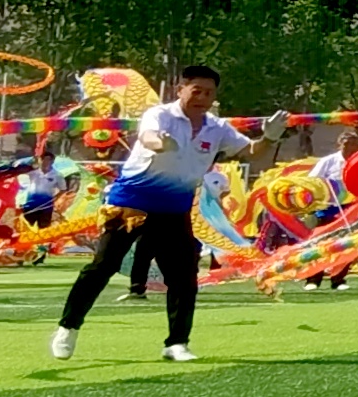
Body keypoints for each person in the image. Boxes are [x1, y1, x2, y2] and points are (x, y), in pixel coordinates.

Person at [54, 68, 246, 362]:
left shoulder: (217, 128)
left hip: (173, 209)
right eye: (196, 91)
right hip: (132, 203)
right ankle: (68, 327)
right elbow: (148, 136)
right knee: (103, 266)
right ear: (180, 89)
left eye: (209, 93)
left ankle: (177, 343)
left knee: (184, 277)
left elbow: (251, 150)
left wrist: (270, 138)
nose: (202, 98)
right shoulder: (160, 115)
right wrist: (161, 143)